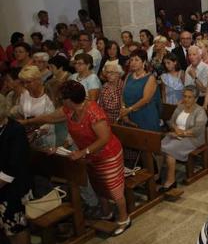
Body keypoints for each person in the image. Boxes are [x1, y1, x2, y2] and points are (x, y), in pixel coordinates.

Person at [23, 80, 130, 235]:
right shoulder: (68, 110)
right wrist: (28, 122)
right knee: (98, 185)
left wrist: (83, 152)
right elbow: (50, 117)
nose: (60, 101)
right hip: (90, 154)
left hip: (108, 154)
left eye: (62, 98)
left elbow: (104, 138)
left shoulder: (94, 113)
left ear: (69, 100)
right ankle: (107, 213)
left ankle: (124, 218)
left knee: (114, 189)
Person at [0, 95, 33, 244]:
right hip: (2, 184)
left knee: (18, 223)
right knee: (5, 223)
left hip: (15, 185)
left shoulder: (15, 130)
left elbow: (15, 163)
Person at [160, 86, 208, 192]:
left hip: (192, 139)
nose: (186, 99)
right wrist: (176, 129)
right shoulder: (180, 107)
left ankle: (170, 180)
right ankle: (159, 175)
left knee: (169, 150)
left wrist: (183, 133)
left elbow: (198, 129)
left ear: (195, 99)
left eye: (190, 97)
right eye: (185, 96)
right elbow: (171, 121)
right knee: (158, 145)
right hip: (176, 134)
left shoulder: (200, 111)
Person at [120, 49, 160, 131]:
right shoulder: (129, 76)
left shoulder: (150, 78)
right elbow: (122, 94)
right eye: (131, 60)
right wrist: (124, 110)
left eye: (137, 60)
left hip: (146, 116)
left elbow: (146, 99)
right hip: (129, 115)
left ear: (144, 62)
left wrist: (129, 110)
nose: (133, 62)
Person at [17, 66, 56, 150]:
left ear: (38, 80)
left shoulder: (48, 96)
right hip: (27, 136)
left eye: (28, 82)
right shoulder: (24, 94)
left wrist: (36, 133)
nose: (25, 85)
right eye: (23, 82)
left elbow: (51, 122)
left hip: (46, 140)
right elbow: (21, 113)